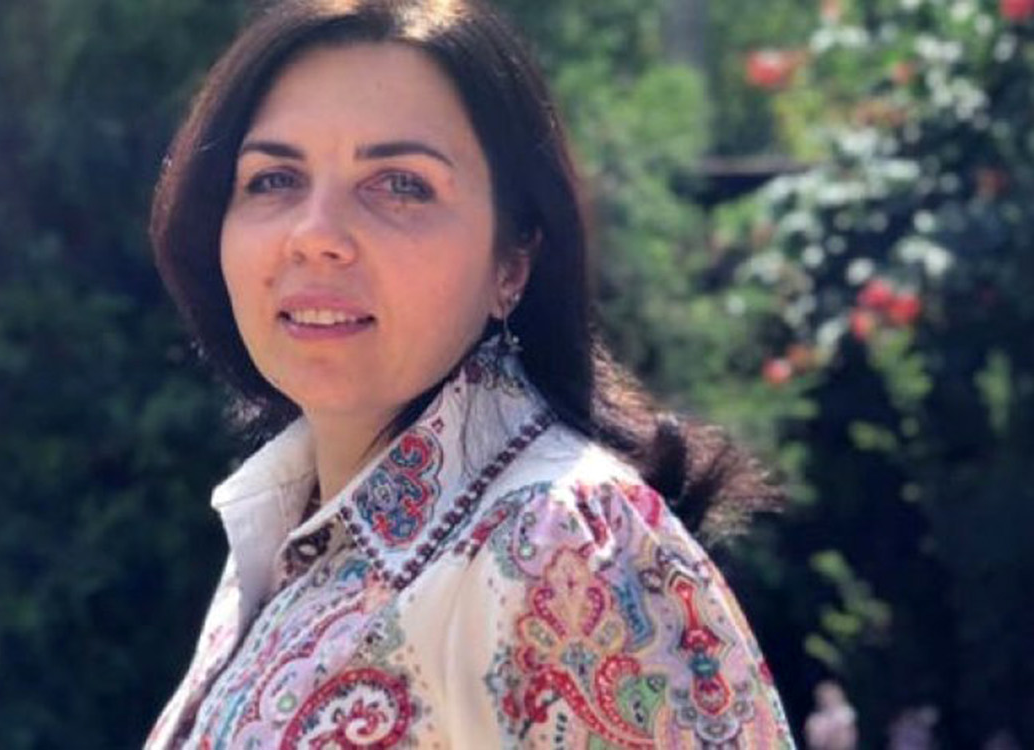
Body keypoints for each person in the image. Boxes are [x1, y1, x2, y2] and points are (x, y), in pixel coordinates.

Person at [144, 0, 796, 746]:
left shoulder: (563, 543)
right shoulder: (281, 536)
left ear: (511, 262)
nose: (315, 235)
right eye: (272, 180)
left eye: (400, 184)